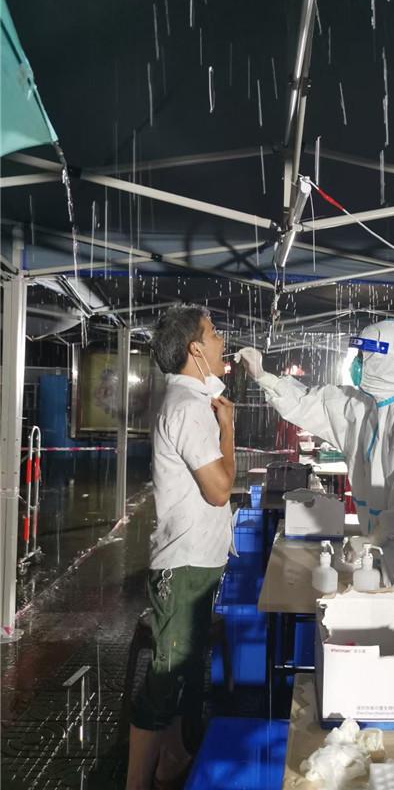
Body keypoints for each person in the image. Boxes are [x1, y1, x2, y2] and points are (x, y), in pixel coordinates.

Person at [238, 320, 394, 670]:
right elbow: (311, 404)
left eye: (363, 356)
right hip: (375, 549)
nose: (357, 364)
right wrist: (264, 377)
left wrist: (376, 536)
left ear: (386, 359)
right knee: (375, 648)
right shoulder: (360, 407)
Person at [127, 304, 235, 790]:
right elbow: (220, 489)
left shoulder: (191, 399)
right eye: (213, 333)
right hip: (184, 563)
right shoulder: (190, 407)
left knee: (183, 670)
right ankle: (135, 782)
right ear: (195, 349)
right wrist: (229, 429)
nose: (221, 340)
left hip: (195, 559)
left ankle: (172, 758)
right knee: (166, 677)